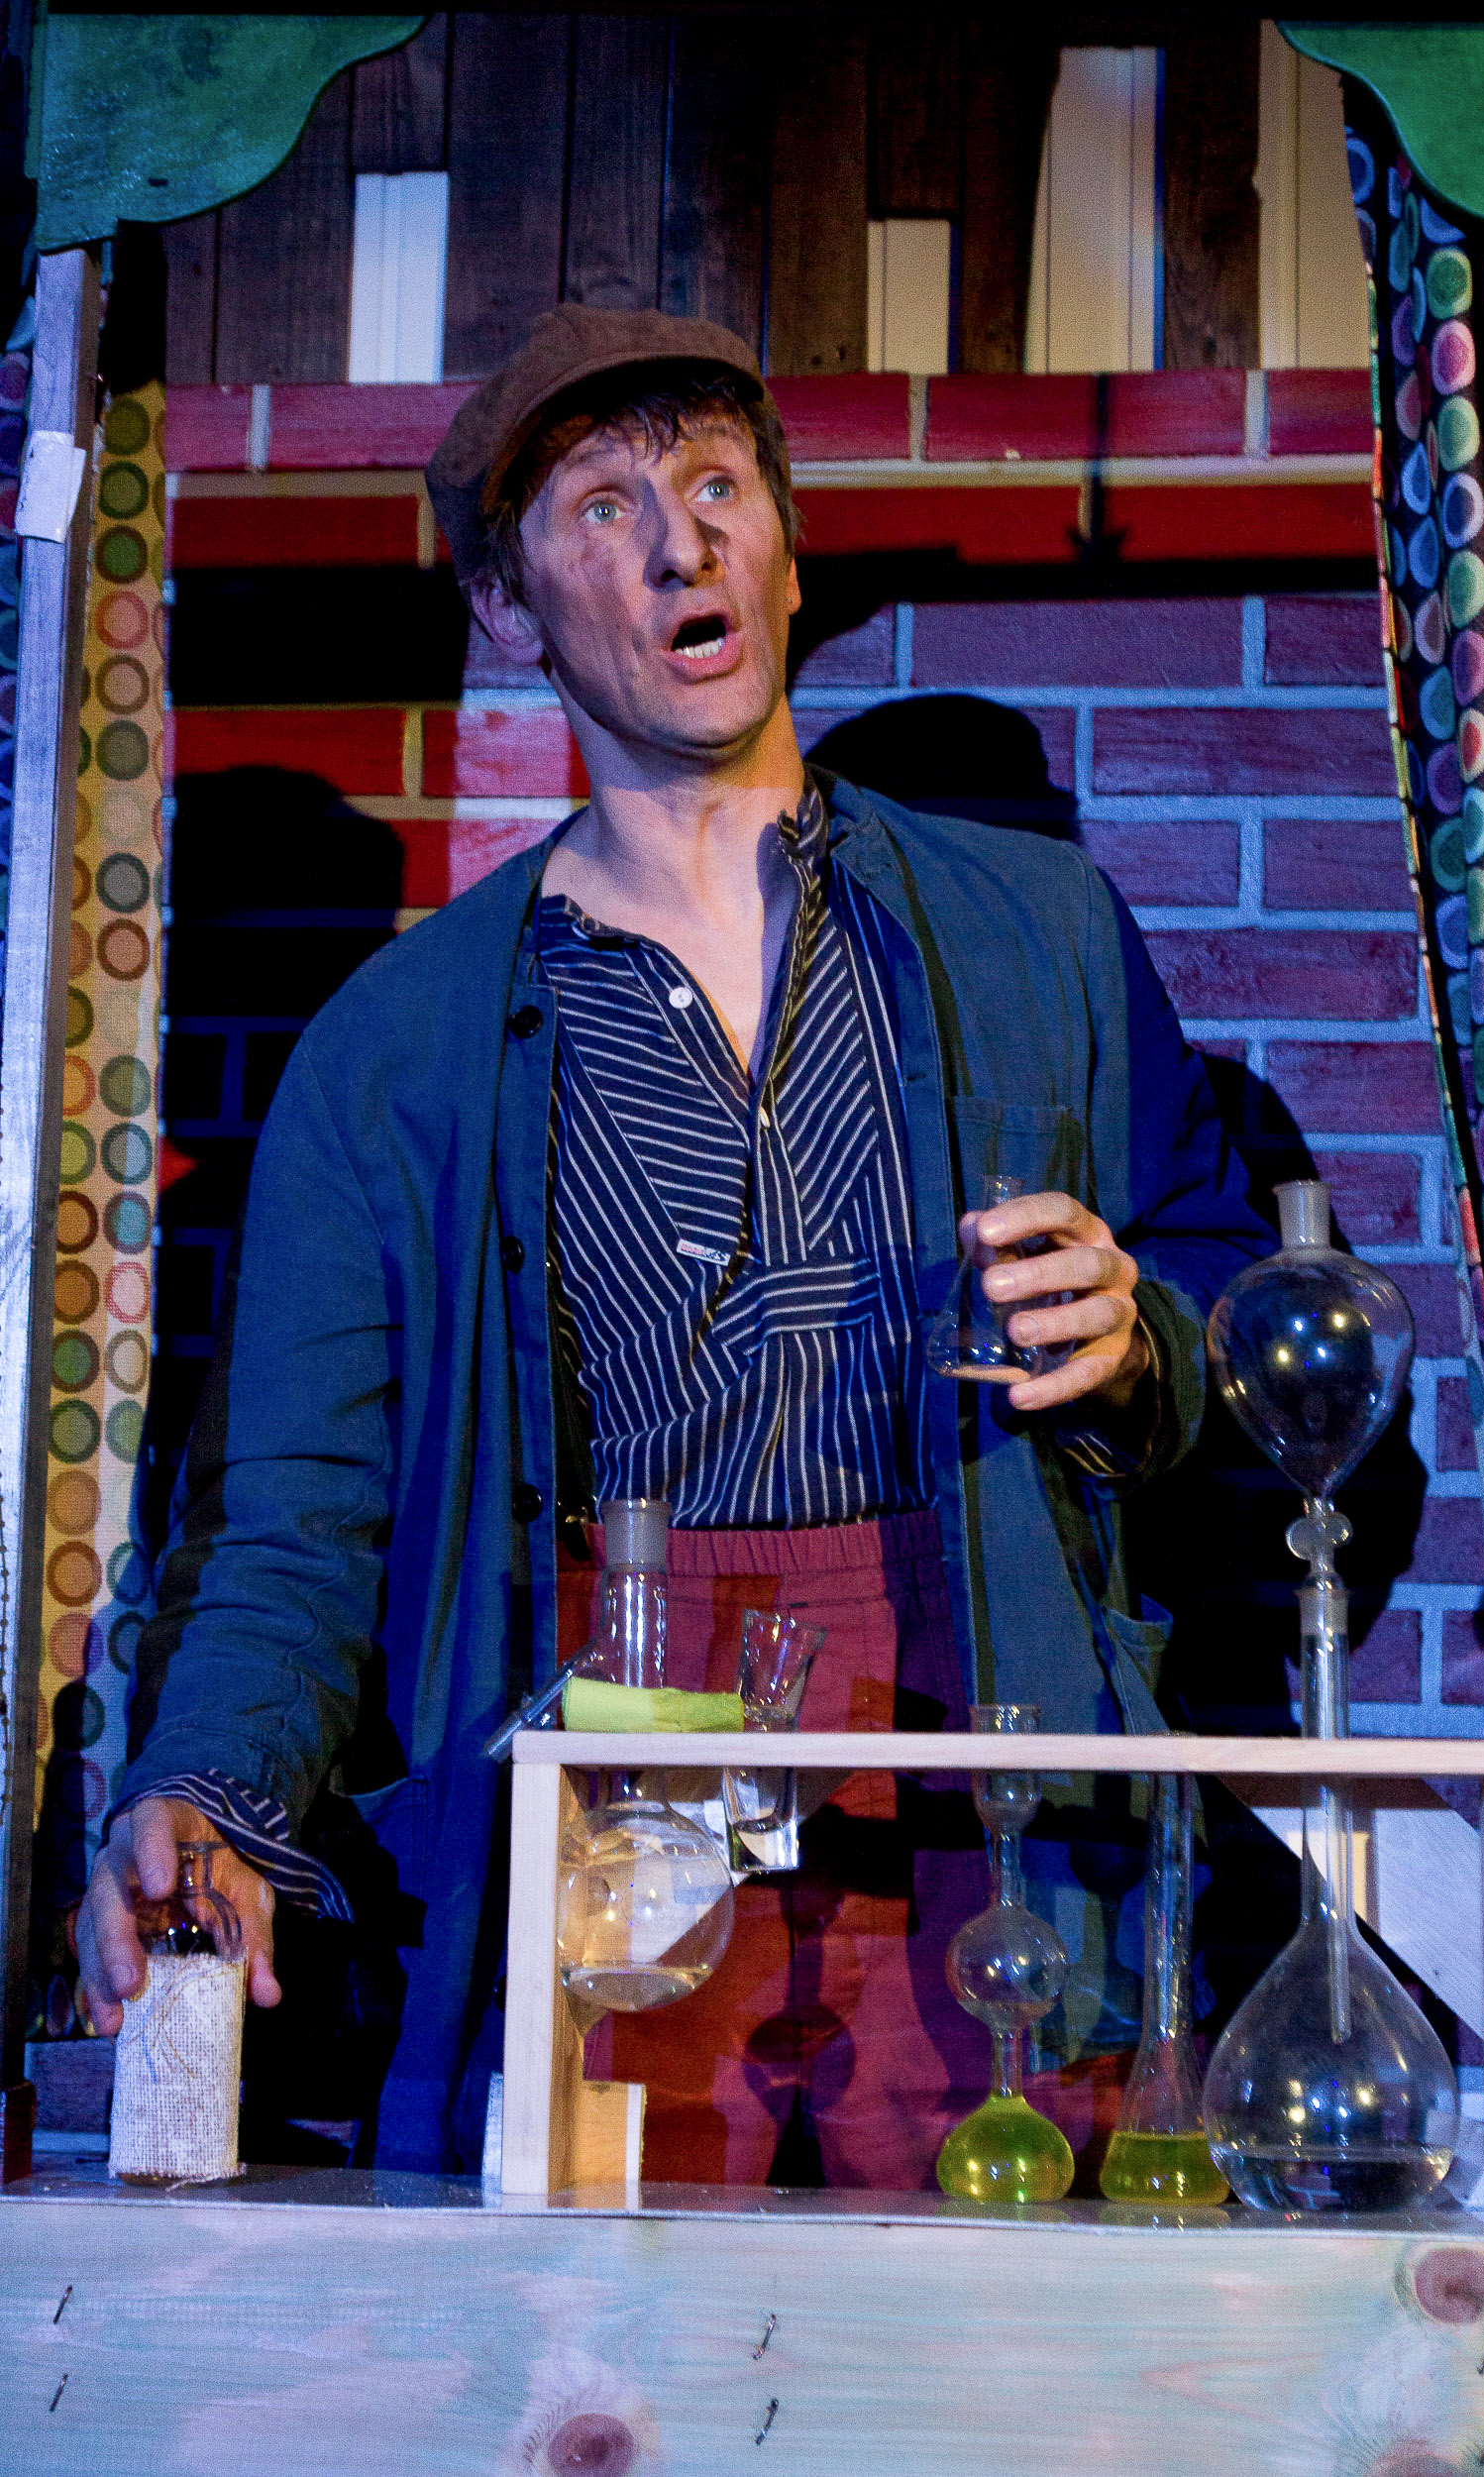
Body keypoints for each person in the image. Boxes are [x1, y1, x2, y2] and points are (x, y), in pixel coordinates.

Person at [75, 304, 1268, 2179]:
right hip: (600, 1791)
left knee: (996, 2318)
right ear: (510, 606)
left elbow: (1227, 1298)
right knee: (604, 2323)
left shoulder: (1035, 929)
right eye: (604, 508)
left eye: (717, 487)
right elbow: (293, 1521)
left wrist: (1147, 1345)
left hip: (982, 1773)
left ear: (785, 551)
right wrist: (207, 1788)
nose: (678, 546)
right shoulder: (395, 1051)